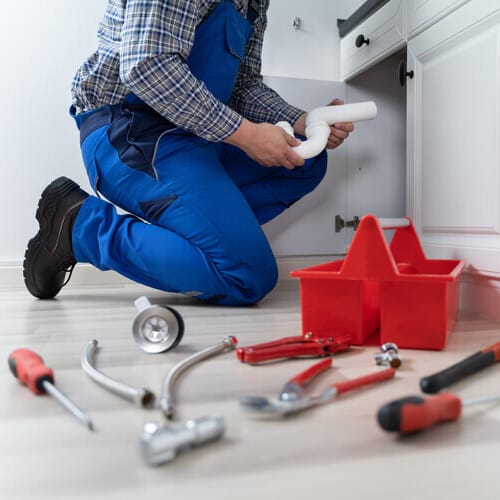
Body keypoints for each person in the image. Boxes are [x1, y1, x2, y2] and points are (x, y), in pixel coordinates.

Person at [23, 0, 353, 306]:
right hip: (131, 132)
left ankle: (197, 235)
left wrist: (303, 120)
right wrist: (248, 135)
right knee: (248, 277)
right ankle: (80, 227)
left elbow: (242, 87)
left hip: (195, 133)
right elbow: (146, 64)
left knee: (302, 159)